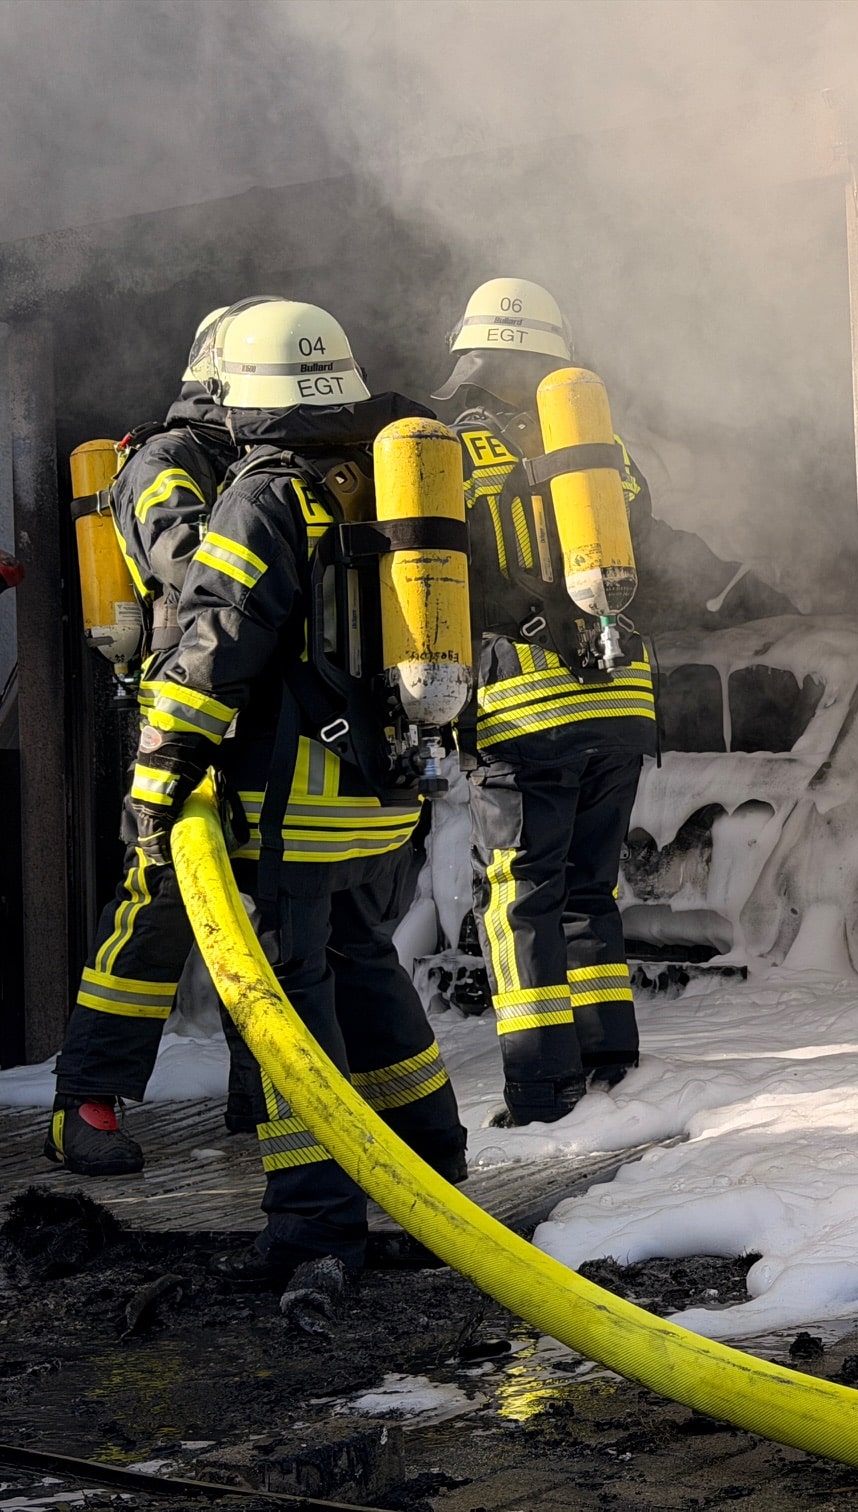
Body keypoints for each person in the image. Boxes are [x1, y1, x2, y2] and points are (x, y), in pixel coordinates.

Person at [130, 299, 467, 1290]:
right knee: (366, 969)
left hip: (295, 804)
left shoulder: (267, 492)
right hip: (384, 795)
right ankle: (436, 1185)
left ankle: (316, 1231)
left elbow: (216, 638)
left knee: (288, 1009)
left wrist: (160, 772)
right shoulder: (387, 472)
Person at [434, 277, 792, 1126]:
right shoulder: (599, 450)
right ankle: (606, 1063)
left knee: (521, 893)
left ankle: (539, 1090)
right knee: (588, 889)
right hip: (620, 700)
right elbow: (656, 563)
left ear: (475, 360)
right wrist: (742, 586)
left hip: (524, 709)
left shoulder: (449, 454)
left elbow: (434, 572)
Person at [44, 301, 275, 1175]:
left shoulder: (260, 463)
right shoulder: (164, 460)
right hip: (184, 716)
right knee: (155, 907)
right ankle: (84, 1102)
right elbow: (191, 566)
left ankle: (264, 1094)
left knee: (272, 910)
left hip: (260, 715)